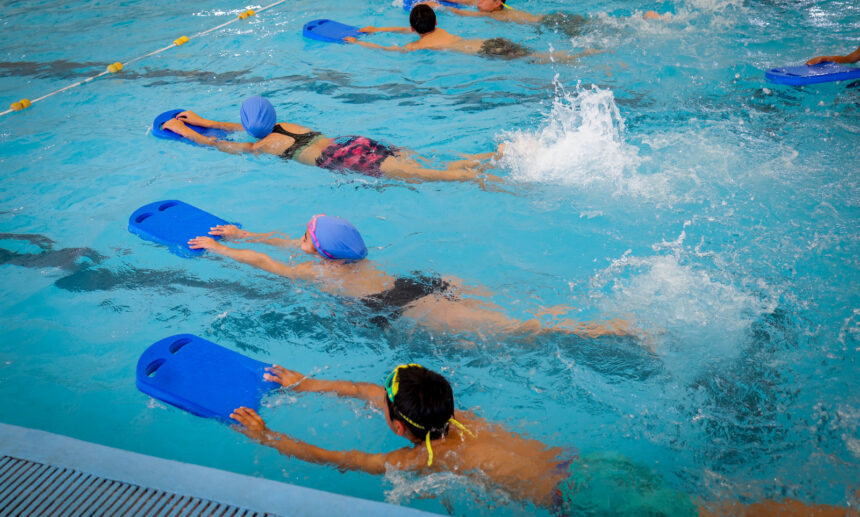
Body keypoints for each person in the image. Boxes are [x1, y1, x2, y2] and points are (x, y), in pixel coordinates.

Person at [229, 363, 858, 517]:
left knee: (725, 513)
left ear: (400, 427)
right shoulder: (462, 416)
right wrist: (306, 383)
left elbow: (341, 459)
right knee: (728, 506)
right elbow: (375, 390)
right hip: (591, 464)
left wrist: (268, 435)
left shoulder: (421, 457)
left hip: (584, 499)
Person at [187, 214, 635, 338]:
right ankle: (584, 317)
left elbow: (266, 263)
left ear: (322, 252)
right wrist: (241, 233)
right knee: (500, 305)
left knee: (513, 327)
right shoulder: (347, 257)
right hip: (417, 283)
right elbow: (284, 243)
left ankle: (602, 330)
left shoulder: (319, 274)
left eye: (306, 235)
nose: (298, 237)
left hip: (404, 305)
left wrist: (221, 250)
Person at [160, 96, 494, 183]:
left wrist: (187, 131)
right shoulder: (285, 125)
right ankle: (481, 159)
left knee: (427, 177)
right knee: (423, 164)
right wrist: (207, 120)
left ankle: (474, 177)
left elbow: (219, 145)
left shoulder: (262, 145)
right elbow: (241, 125)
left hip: (348, 160)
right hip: (354, 143)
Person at [346, 4, 599, 63]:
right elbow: (407, 29)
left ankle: (582, 55)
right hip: (488, 42)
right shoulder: (440, 30)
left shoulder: (418, 46)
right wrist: (377, 29)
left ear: (414, 30)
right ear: (435, 21)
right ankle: (586, 51)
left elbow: (391, 49)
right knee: (536, 54)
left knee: (537, 59)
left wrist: (359, 42)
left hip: (487, 52)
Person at [422, 0, 663, 32]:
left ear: (497, 3)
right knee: (597, 26)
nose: (478, 0)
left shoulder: (498, 16)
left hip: (552, 23)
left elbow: (461, 11)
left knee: (600, 28)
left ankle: (643, 21)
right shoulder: (488, 7)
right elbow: (461, 1)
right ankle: (643, 20)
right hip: (551, 20)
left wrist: (439, 8)